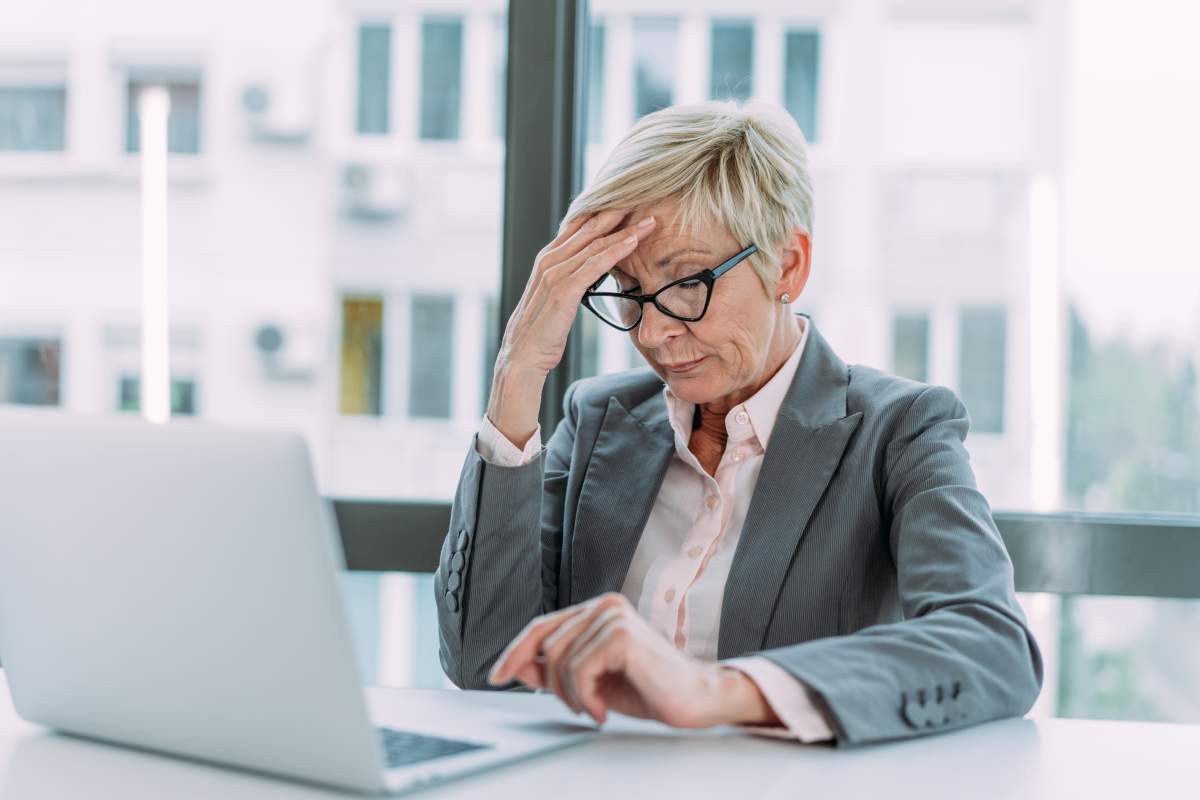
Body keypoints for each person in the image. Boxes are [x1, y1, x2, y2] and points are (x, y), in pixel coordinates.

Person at [434, 100, 1042, 746]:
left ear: (788, 266)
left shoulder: (898, 433)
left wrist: (716, 691)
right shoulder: (597, 423)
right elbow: (485, 665)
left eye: (687, 283)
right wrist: (517, 374)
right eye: (628, 290)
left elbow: (992, 645)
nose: (655, 330)